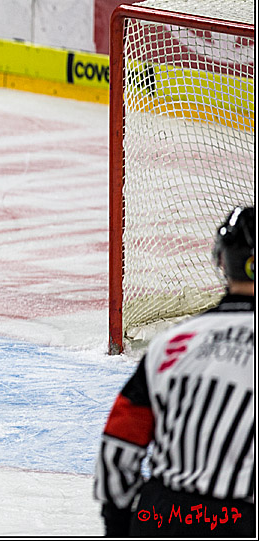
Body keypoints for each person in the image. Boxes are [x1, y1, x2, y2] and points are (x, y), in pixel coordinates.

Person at [93, 205, 255, 537]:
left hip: (162, 517)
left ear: (222, 262)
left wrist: (119, 526)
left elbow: (120, 444)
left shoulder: (173, 343)